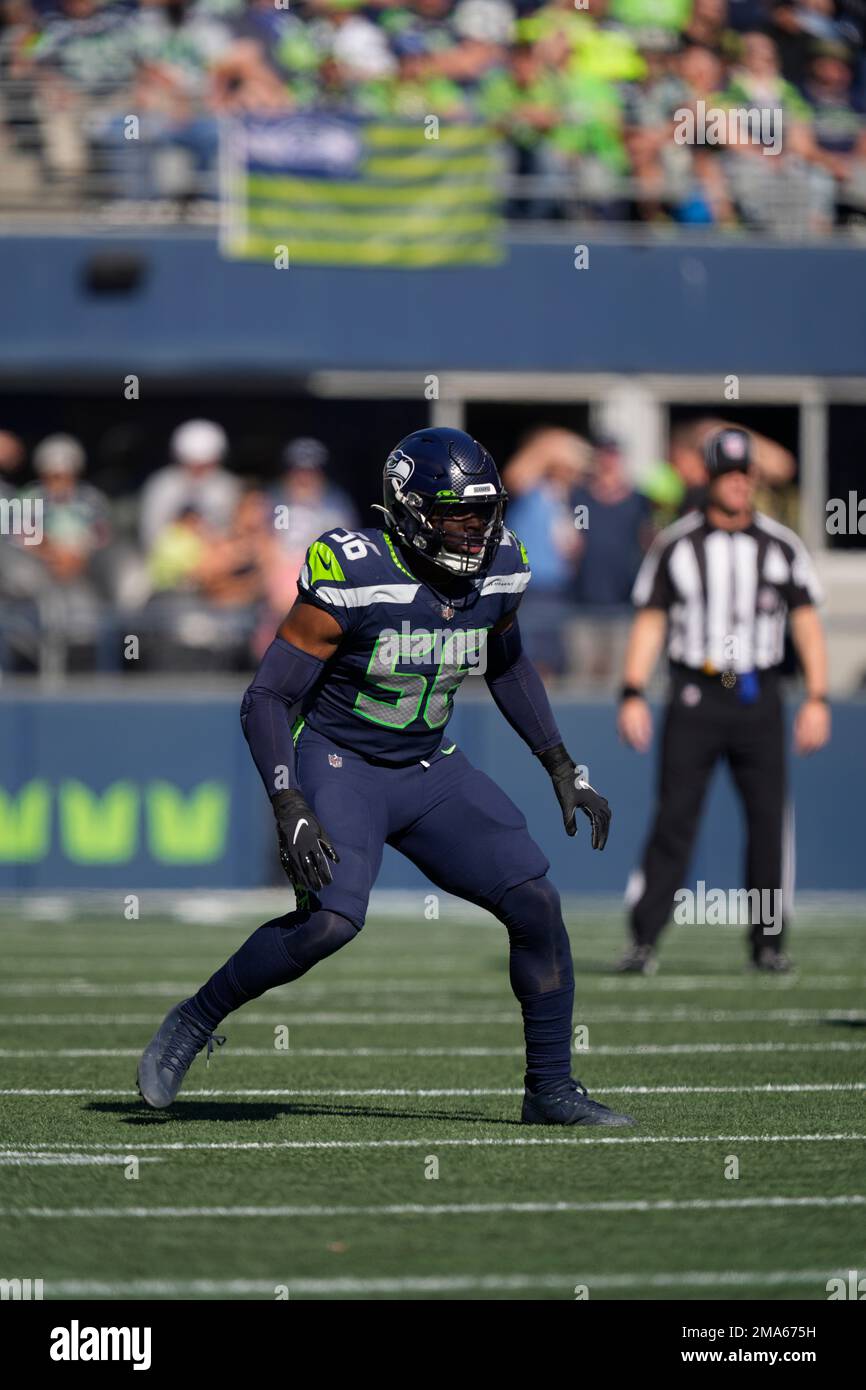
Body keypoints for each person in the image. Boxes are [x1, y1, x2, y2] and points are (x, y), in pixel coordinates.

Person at [137, 426, 632, 1128]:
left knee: (537, 904)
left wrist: (559, 763)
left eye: (484, 510)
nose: (476, 528)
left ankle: (549, 1087)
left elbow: (510, 663)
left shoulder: (501, 568)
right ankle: (195, 1019)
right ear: (408, 511)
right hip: (342, 761)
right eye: (457, 513)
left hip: (428, 766)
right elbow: (268, 696)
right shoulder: (358, 571)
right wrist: (289, 800)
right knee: (331, 923)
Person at [615, 426, 830, 974]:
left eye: (745, 473)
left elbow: (807, 625)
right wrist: (633, 690)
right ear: (710, 479)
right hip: (695, 692)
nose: (738, 484)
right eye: (729, 474)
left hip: (758, 694)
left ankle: (768, 943)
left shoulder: (781, 545)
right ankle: (643, 939)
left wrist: (818, 697)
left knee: (767, 821)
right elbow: (651, 620)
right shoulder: (678, 545)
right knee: (675, 817)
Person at [139, 419, 240, 552]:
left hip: (218, 560)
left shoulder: (229, 487)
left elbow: (235, 532)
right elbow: (150, 534)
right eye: (191, 465)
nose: (198, 472)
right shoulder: (161, 485)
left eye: (205, 465)